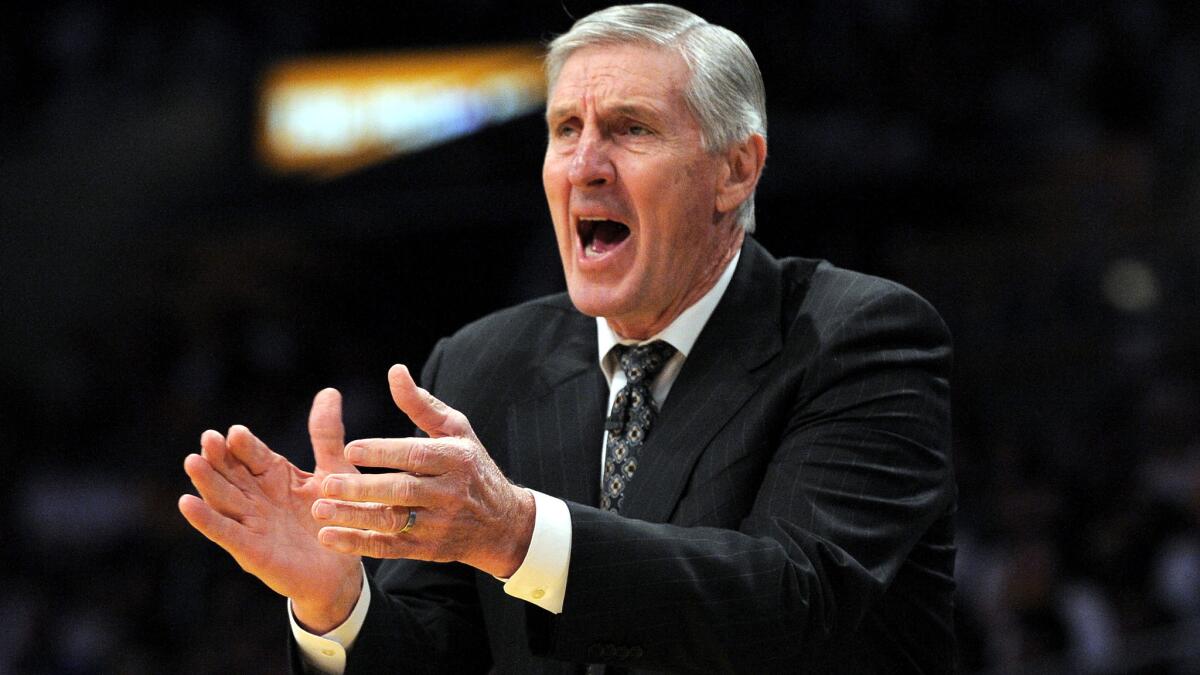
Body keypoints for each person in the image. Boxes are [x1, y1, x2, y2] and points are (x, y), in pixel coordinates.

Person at [178, 4, 956, 673]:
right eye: (565, 129)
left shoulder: (856, 339)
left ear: (735, 170)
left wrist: (519, 533)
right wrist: (336, 605)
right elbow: (434, 657)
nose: (585, 165)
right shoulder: (483, 364)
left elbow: (792, 605)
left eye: (631, 129)